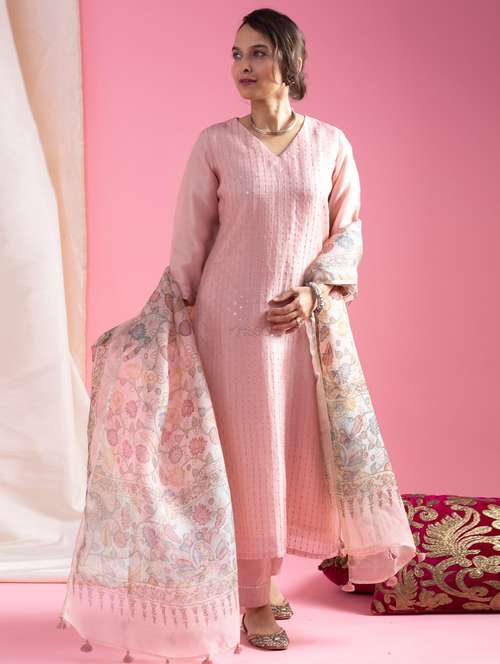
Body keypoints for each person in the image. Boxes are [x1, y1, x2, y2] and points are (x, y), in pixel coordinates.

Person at [168, 7, 363, 651]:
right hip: (229, 324)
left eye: (257, 53)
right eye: (236, 54)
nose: (243, 67)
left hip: (298, 327)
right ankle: (252, 600)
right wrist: (179, 310)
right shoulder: (215, 143)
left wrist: (313, 293)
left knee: (284, 452)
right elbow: (191, 237)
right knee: (247, 454)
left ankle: (265, 577)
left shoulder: (331, 144)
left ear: (291, 60)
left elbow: (347, 233)